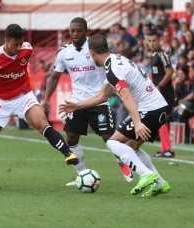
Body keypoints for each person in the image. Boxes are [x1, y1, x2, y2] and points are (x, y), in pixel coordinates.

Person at [0, 24, 79, 190]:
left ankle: (68, 154)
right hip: (1, 102)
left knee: (41, 123)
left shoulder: (27, 49)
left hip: (24, 97)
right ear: (6, 41)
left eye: (20, 44)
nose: (18, 48)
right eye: (14, 44)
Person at [59, 35, 171, 197]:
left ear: (91, 53)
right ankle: (160, 183)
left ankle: (146, 174)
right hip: (158, 108)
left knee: (113, 142)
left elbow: (126, 95)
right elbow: (102, 96)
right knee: (132, 147)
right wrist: (77, 106)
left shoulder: (112, 69)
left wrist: (138, 123)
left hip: (150, 109)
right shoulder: (116, 60)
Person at [42, 17, 133, 186]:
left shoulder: (95, 49)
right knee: (71, 138)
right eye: (72, 31)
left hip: (98, 100)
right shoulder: (64, 53)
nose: (75, 34)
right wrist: (46, 98)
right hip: (76, 102)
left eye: (78, 31)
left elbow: (111, 65)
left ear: (86, 32)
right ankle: (82, 174)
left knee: (109, 137)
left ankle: (123, 163)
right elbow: (54, 77)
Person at [146, 31, 175, 158]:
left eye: (154, 41)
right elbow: (155, 75)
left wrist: (159, 87)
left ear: (159, 41)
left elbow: (170, 72)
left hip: (165, 91)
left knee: (162, 119)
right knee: (160, 120)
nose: (151, 43)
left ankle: (168, 149)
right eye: (149, 41)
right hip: (158, 91)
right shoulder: (155, 56)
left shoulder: (162, 55)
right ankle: (164, 149)